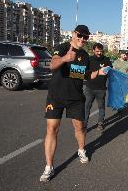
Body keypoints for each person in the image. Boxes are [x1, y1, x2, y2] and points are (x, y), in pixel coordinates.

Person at [40, 25, 106, 182]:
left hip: (76, 98)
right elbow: (52, 64)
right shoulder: (62, 47)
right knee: (52, 130)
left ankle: (81, 150)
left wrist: (98, 73)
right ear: (73, 34)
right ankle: (49, 167)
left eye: (86, 37)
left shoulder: (84, 55)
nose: (82, 39)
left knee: (80, 127)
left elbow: (84, 75)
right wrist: (64, 58)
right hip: (56, 97)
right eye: (80, 35)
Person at [84, 43, 112, 130]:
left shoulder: (106, 60)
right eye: (97, 51)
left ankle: (100, 123)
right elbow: (84, 72)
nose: (99, 53)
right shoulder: (89, 59)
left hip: (101, 89)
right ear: (93, 51)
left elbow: (111, 71)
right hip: (89, 88)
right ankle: (84, 124)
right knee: (86, 106)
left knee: (101, 107)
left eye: (101, 51)